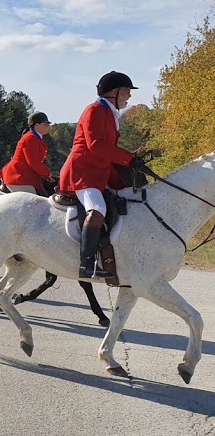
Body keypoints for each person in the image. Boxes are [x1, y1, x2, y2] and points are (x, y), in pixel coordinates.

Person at [59, 71, 146, 280]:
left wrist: (131, 164)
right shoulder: (94, 110)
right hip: (83, 173)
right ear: (114, 92)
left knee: (131, 195)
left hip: (99, 171)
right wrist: (127, 158)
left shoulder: (110, 113)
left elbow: (107, 152)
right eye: (126, 91)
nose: (129, 97)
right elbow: (96, 146)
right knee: (97, 208)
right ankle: (86, 264)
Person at [0, 112, 53, 194]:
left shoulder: (36, 138)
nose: (48, 126)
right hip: (19, 177)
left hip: (26, 176)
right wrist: (47, 173)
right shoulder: (30, 139)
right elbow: (33, 162)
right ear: (37, 125)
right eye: (46, 124)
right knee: (35, 203)